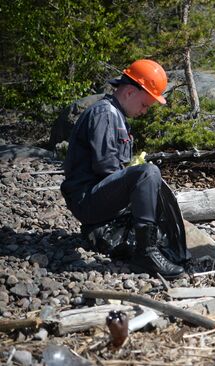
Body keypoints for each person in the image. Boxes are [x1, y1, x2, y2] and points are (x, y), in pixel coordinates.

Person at [61, 59, 184, 278]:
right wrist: (135, 178)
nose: (144, 111)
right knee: (148, 172)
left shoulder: (114, 114)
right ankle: (146, 254)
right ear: (129, 92)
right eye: (145, 104)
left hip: (94, 196)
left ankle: (146, 246)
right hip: (87, 199)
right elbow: (106, 168)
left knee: (150, 180)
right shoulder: (105, 114)